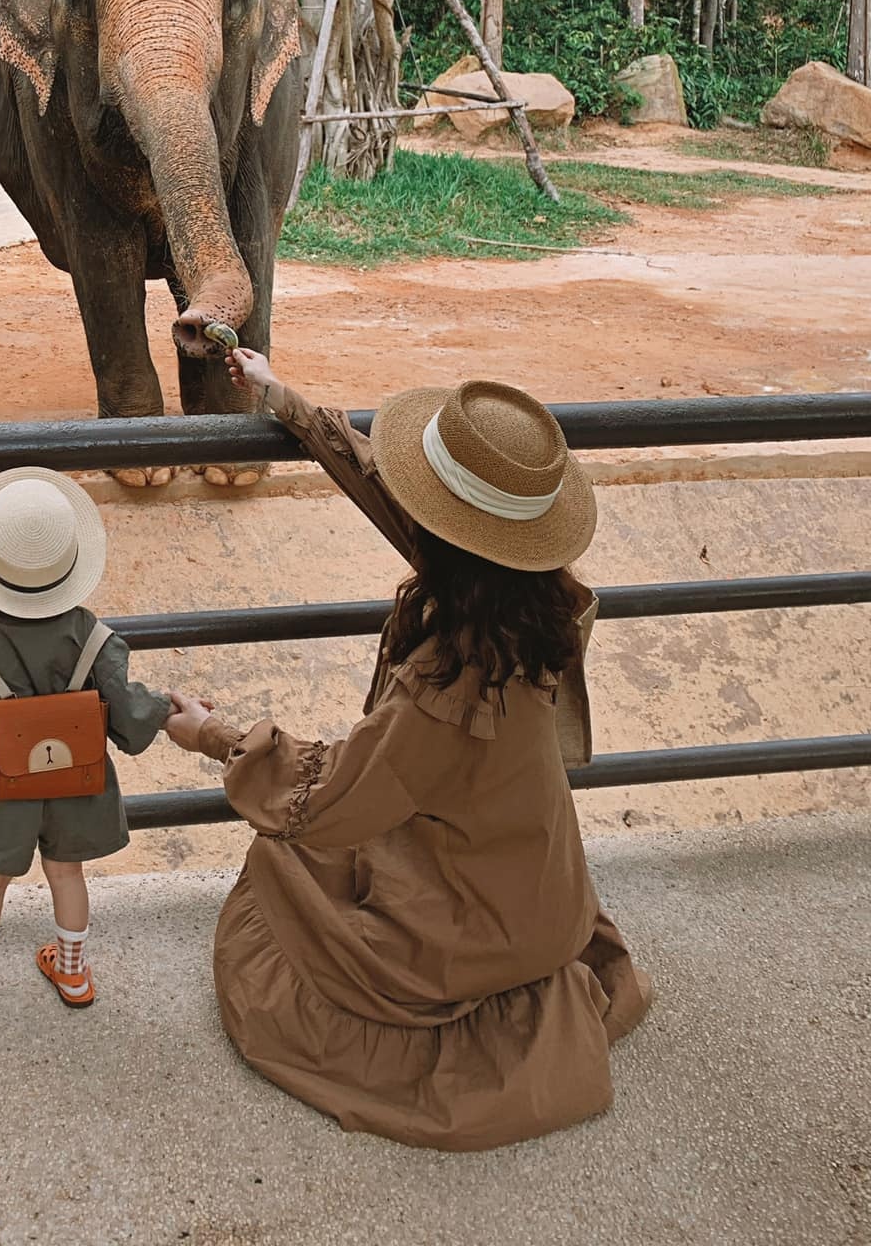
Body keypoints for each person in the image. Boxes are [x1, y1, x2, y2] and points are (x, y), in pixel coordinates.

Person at [165, 350, 653, 1151]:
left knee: (282, 861)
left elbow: (326, 798)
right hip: (541, 885)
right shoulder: (540, 605)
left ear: (445, 536)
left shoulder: (447, 684)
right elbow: (393, 497)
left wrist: (212, 737)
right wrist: (289, 403)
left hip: (471, 923)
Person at [0, 465, 172, 1010]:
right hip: (76, 785)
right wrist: (165, 707)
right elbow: (130, 718)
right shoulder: (94, 637)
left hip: (2, 789)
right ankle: (72, 973)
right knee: (67, 875)